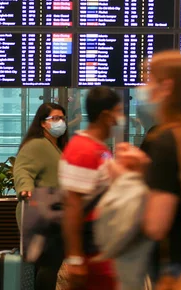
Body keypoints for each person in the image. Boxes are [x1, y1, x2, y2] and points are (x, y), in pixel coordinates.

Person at [119, 51, 181, 288]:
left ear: (166, 86)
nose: (142, 86)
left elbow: (156, 224)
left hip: (179, 268)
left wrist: (125, 182)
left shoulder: (166, 140)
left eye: (148, 79)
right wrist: (147, 168)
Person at [59, 86, 122, 290]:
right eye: (118, 112)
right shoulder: (82, 151)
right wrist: (76, 259)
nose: (120, 118)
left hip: (104, 251)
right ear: (105, 115)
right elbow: (72, 208)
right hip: (92, 255)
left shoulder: (99, 148)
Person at [13, 102, 68, 290]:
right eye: (55, 118)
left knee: (45, 264)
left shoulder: (54, 146)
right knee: (49, 263)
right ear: (43, 123)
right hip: (40, 213)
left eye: (62, 118)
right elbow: (22, 170)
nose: (60, 122)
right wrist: (25, 188)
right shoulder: (37, 145)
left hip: (50, 212)